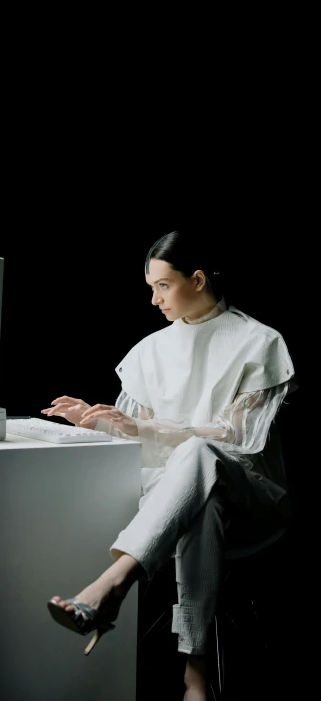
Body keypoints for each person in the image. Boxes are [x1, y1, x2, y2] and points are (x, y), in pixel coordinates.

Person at [41, 230, 295, 701]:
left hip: (250, 496)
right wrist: (94, 422)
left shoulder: (259, 342)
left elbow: (237, 438)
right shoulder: (148, 351)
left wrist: (147, 429)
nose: (155, 300)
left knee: (202, 460)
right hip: (179, 498)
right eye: (150, 289)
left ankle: (111, 583)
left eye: (163, 286)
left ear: (197, 279)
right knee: (203, 503)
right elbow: (138, 441)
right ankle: (195, 676)